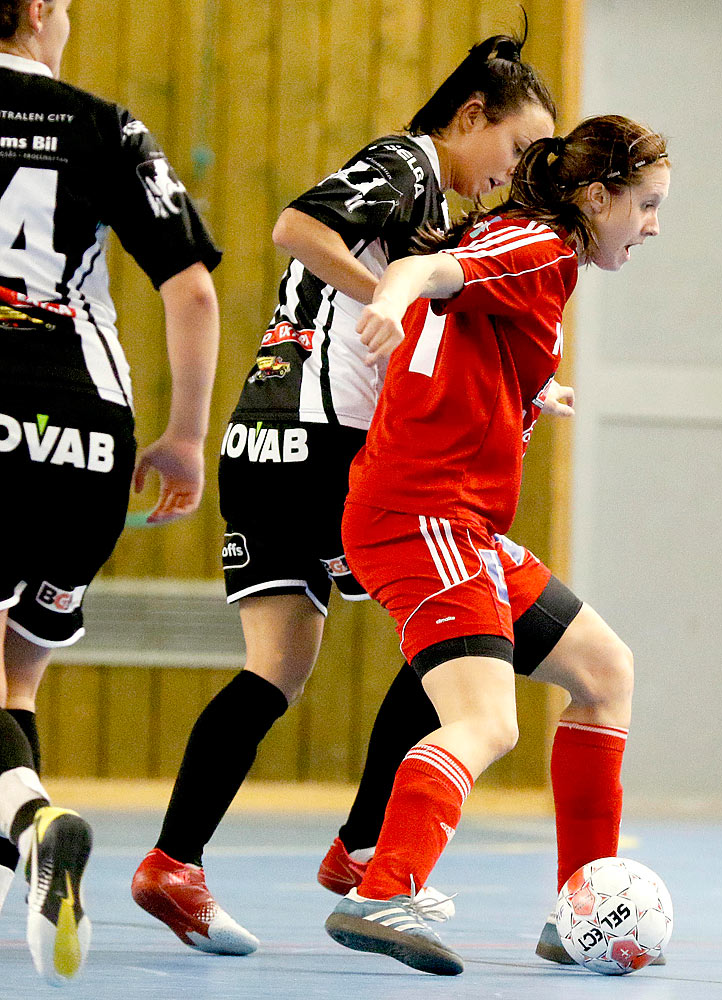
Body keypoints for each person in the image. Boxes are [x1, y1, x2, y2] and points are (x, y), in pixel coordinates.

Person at [130, 27, 558, 956]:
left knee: (276, 666)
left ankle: (173, 863)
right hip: (322, 447)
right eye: (516, 150)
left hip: (262, 442)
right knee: (458, 620)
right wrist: (385, 301)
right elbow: (297, 226)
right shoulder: (407, 161)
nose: (512, 174)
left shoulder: (432, 210)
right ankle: (365, 849)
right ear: (471, 117)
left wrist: (523, 383)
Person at [320, 114, 670, 976]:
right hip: (420, 517)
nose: (653, 225)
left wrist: (530, 389)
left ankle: (579, 909)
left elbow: (472, 315)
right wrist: (392, 305)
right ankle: (381, 889)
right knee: (484, 720)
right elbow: (423, 271)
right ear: (597, 198)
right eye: (647, 205)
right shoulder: (545, 248)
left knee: (603, 671)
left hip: (455, 520)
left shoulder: (530, 246)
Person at [0, 0, 222, 983]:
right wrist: (182, 437)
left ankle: (31, 822)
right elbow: (193, 287)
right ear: (42, 8)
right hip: (86, 444)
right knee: (12, 674)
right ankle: (27, 867)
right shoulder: (105, 124)